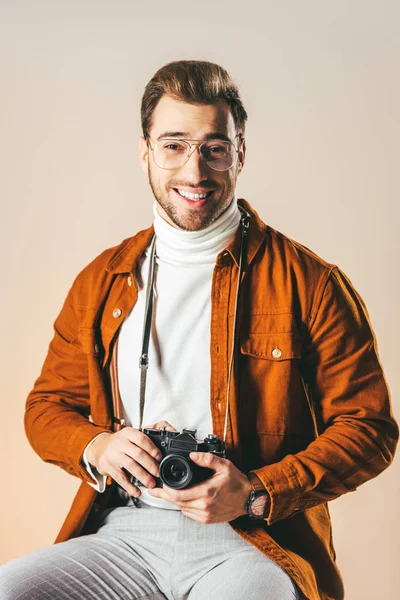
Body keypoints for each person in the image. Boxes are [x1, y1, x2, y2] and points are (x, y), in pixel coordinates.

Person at [0, 60, 398, 600]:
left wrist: (256, 493)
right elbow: (46, 406)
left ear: (240, 152)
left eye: (214, 147)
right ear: (144, 151)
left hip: (253, 540)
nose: (194, 171)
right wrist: (97, 446)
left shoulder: (310, 283)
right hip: (125, 534)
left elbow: (368, 427)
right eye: (173, 145)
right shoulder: (102, 281)